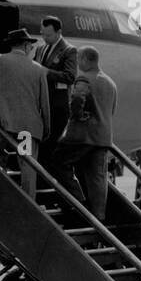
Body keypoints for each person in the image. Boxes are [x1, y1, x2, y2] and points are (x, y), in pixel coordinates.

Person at [0, 27, 50, 197]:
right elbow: (44, 104)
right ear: (24, 45)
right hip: (27, 127)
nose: (31, 49)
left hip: (1, 123)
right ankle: (29, 203)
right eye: (30, 46)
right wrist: (46, 129)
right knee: (27, 165)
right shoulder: (38, 69)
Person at [52, 45, 117, 219]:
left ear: (86, 60)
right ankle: (98, 217)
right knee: (97, 178)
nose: (77, 63)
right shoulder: (110, 82)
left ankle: (77, 199)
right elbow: (111, 110)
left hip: (82, 135)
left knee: (58, 161)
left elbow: (76, 99)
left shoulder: (84, 78)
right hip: (103, 137)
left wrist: (78, 116)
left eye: (79, 59)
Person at [32, 16, 76, 174]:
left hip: (57, 106)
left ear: (59, 32)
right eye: (42, 34)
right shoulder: (40, 49)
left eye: (48, 35)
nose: (44, 38)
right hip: (40, 105)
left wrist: (47, 72)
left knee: (50, 146)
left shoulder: (69, 50)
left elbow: (70, 77)